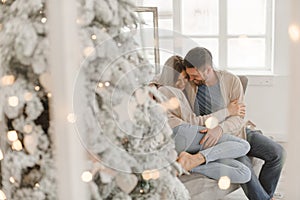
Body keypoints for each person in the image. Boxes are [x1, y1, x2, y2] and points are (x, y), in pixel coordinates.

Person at [183, 47, 285, 200]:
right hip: (217, 141)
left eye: (194, 75)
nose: (190, 79)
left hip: (239, 132)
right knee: (245, 170)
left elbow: (238, 117)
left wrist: (220, 128)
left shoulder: (231, 81)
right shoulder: (189, 85)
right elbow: (163, 76)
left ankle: (267, 196)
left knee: (278, 153)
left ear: (208, 70)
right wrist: (152, 83)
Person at [154, 55, 251, 184]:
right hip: (178, 132)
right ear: (170, 77)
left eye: (186, 79)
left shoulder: (168, 90)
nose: (184, 83)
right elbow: (193, 122)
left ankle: (186, 164)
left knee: (243, 173)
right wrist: (228, 111)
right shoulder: (168, 90)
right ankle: (196, 159)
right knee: (243, 145)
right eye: (179, 79)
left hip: (180, 141)